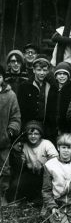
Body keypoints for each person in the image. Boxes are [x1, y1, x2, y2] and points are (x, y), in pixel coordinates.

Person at [7, 121, 58, 202]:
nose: (33, 136)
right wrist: (15, 150)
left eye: (36, 134)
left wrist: (43, 165)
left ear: (40, 135)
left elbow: (55, 159)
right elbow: (19, 164)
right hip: (31, 173)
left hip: (46, 174)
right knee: (15, 185)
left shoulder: (46, 143)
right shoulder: (24, 146)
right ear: (26, 135)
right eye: (30, 134)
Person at [0, 65, 21, 205]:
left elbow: (16, 117)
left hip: (3, 141)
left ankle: (2, 195)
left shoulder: (10, 95)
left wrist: (10, 132)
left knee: (4, 169)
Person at [17, 55, 53, 127]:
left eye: (45, 70)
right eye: (39, 70)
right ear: (34, 70)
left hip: (45, 125)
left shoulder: (51, 86)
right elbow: (20, 110)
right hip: (28, 125)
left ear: (48, 71)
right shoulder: (24, 86)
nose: (42, 73)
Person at [45, 62, 71, 143]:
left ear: (68, 76)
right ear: (55, 76)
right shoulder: (52, 88)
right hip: (52, 126)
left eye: (64, 74)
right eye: (59, 74)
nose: (62, 76)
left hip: (66, 127)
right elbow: (48, 108)